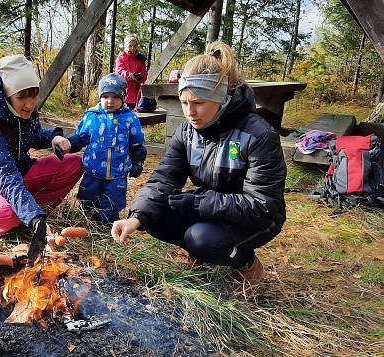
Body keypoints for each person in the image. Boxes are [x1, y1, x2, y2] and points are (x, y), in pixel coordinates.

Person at [111, 41, 287, 293]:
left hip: (259, 218)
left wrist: (198, 203)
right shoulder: (187, 132)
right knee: (155, 217)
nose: (190, 112)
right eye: (184, 102)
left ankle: (247, 263)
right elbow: (164, 178)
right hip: (215, 207)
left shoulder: (258, 135)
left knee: (202, 240)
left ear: (222, 98)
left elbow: (262, 205)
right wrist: (137, 216)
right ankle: (202, 252)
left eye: (199, 103)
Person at [0, 54, 83, 239]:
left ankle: (28, 213)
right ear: (7, 95)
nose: (30, 103)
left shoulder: (24, 109)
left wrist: (54, 137)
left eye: (34, 95)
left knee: (74, 164)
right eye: (22, 98)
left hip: (21, 170)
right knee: (6, 212)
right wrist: (35, 219)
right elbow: (5, 176)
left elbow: (33, 136)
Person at [68, 73, 147, 224]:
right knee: (88, 196)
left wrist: (138, 162)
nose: (110, 101)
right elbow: (82, 136)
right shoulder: (92, 116)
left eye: (116, 97)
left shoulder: (130, 119)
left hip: (118, 171)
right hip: (93, 169)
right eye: (105, 96)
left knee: (112, 201)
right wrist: (72, 143)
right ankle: (87, 219)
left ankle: (106, 223)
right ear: (100, 97)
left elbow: (136, 144)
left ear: (123, 98)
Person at [115, 34, 148, 110]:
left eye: (134, 46)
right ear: (126, 46)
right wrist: (131, 76)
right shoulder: (121, 57)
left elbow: (144, 73)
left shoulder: (140, 59)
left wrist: (140, 77)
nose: (132, 48)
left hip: (137, 95)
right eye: (130, 46)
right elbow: (119, 72)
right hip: (123, 94)